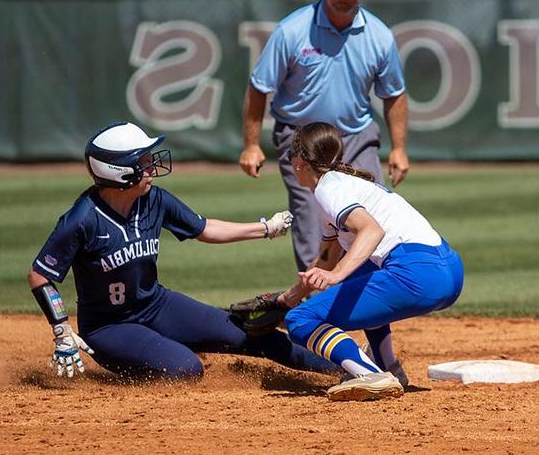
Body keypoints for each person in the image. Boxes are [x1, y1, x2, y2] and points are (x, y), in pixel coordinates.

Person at [27, 121, 339, 380]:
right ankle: (152, 351)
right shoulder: (82, 219)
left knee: (251, 333)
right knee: (185, 368)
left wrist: (265, 228)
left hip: (156, 305)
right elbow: (40, 275)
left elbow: (204, 228)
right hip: (110, 327)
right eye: (143, 161)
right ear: (118, 171)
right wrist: (61, 328)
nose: (151, 165)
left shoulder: (153, 199)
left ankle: (347, 366)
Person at [238, 0, 409, 273]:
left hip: (355, 134)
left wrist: (399, 148)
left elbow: (395, 94)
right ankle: (317, 300)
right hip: (301, 136)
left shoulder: (379, 36)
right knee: (312, 215)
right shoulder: (293, 30)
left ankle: (369, 292)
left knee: (371, 209)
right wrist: (250, 144)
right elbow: (260, 87)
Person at [274, 122, 463, 401]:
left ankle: (368, 374)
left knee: (301, 319)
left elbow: (372, 231)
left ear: (300, 161)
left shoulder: (329, 190)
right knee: (357, 274)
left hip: (416, 274)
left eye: (291, 154)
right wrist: (289, 296)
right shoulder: (340, 185)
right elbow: (327, 257)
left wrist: (336, 275)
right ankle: (388, 366)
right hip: (447, 270)